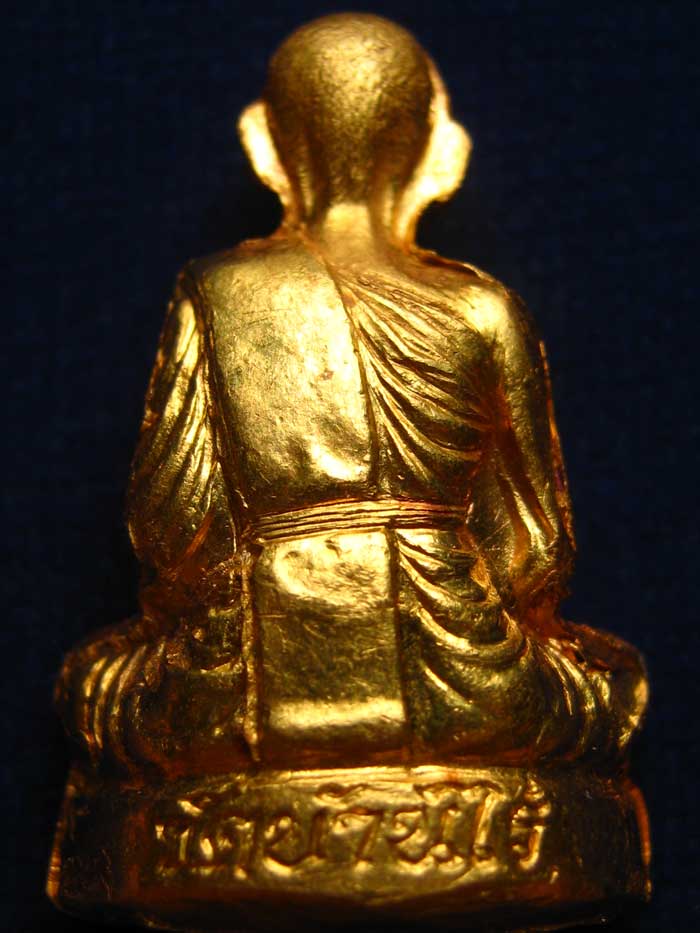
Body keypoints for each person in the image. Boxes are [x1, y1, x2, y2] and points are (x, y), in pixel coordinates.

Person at [56, 13, 646, 776]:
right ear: (436, 151)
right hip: (466, 678)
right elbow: (537, 549)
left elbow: (173, 523)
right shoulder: (484, 309)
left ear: (267, 146)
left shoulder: (218, 292)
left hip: (251, 681)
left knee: (95, 686)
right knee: (612, 685)